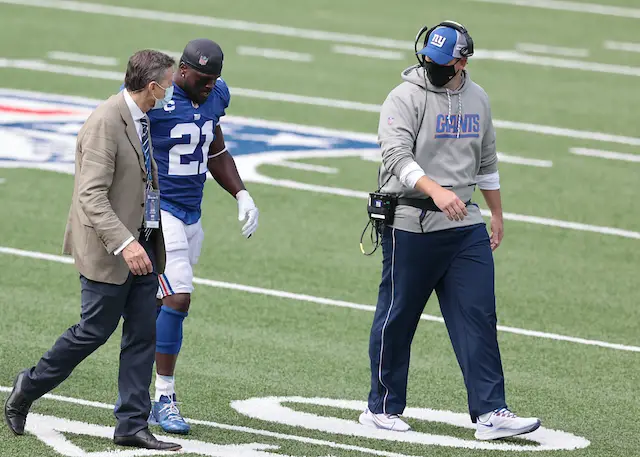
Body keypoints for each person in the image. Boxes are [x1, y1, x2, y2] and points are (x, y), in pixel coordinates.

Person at [358, 21, 541, 441]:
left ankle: (491, 412)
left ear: (462, 62)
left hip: (464, 227)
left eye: (444, 61)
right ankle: (381, 407)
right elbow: (395, 157)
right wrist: (435, 189)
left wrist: (496, 214)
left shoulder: (478, 99)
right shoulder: (403, 97)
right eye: (429, 59)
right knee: (398, 316)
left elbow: (487, 162)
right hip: (411, 224)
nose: (432, 66)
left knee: (478, 315)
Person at [4, 50, 181, 452]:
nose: (170, 92)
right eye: (167, 85)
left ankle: (131, 425)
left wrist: (145, 240)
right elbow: (91, 196)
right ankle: (27, 387)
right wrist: (125, 242)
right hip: (112, 248)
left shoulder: (139, 118)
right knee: (93, 332)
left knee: (142, 335)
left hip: (144, 245)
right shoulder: (105, 122)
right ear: (151, 86)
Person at [145, 38, 259, 434]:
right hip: (161, 214)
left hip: (193, 213)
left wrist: (241, 193)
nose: (210, 85)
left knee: (160, 306)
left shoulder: (216, 95)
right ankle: (164, 396)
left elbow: (215, 149)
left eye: (215, 79)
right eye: (203, 78)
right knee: (178, 298)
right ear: (183, 71)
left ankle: (133, 391)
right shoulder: (158, 98)